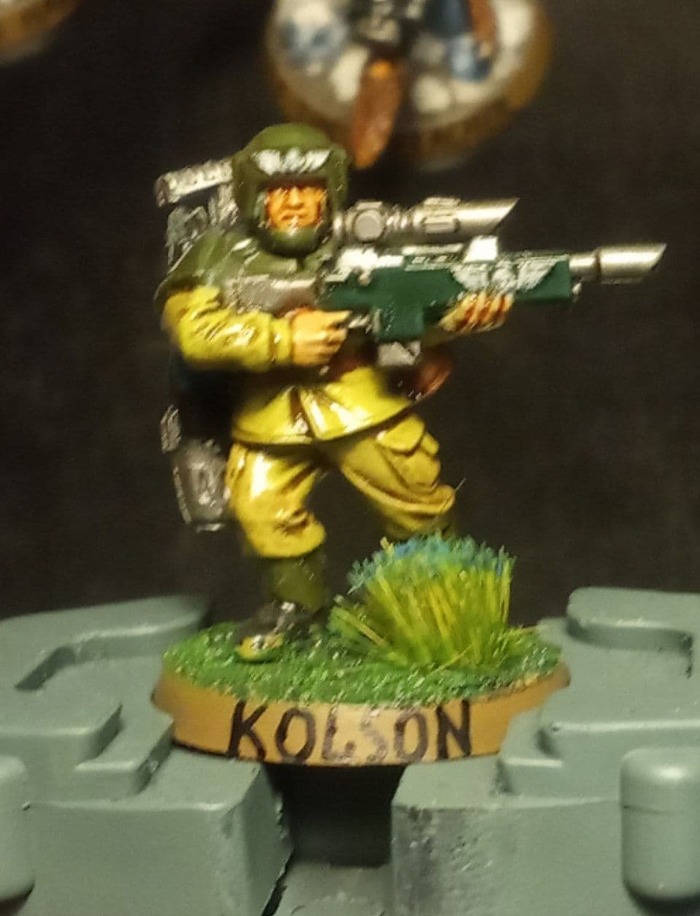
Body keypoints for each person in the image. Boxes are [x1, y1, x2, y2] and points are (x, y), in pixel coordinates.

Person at [157, 123, 510, 660]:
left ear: (331, 194)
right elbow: (194, 331)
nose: (296, 204)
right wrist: (281, 340)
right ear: (254, 197)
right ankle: (295, 606)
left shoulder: (367, 243)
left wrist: (458, 319)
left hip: (362, 404)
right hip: (270, 415)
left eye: (309, 190)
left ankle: (436, 602)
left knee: (415, 499)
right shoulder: (216, 256)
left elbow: (410, 315)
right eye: (281, 192)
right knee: (260, 504)